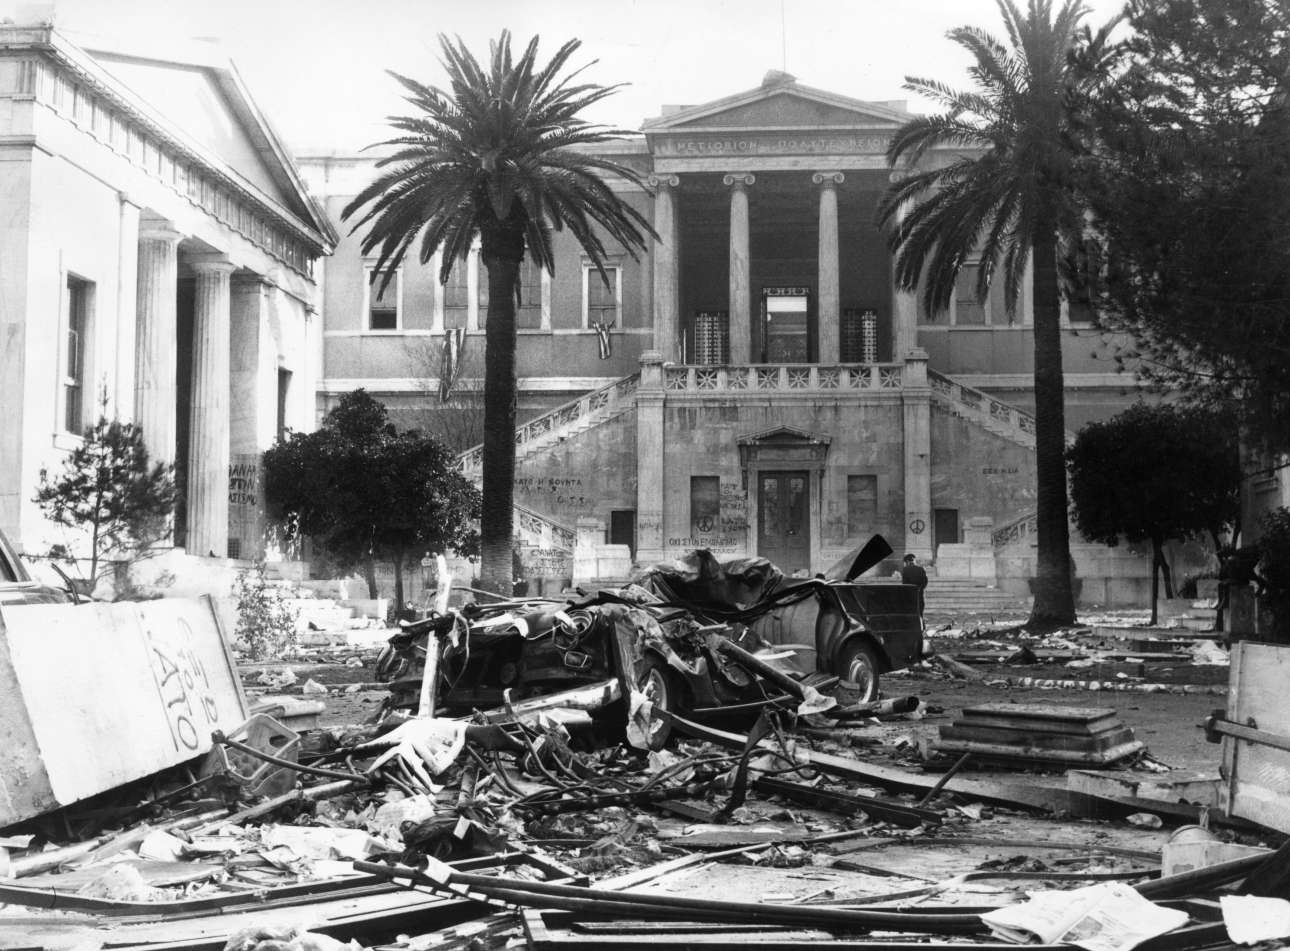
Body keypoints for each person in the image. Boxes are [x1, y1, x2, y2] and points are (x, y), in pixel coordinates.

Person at [900, 553, 929, 618]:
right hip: (920, 594)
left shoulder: (905, 570)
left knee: (911, 612)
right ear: (913, 560)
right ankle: (921, 624)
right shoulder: (921, 569)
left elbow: (904, 583)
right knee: (920, 612)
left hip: (910, 595)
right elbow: (925, 581)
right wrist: (920, 589)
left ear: (907, 562)